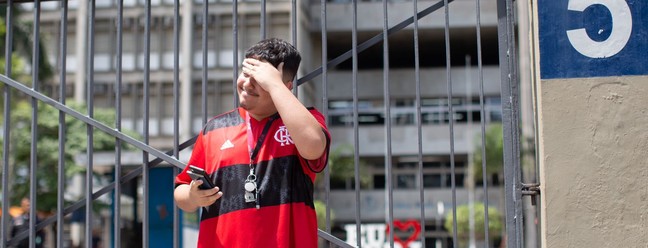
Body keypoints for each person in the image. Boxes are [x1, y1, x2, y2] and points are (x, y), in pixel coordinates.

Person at [174, 38, 330, 248]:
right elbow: (181, 191)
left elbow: (314, 147)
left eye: (259, 79)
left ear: (286, 86)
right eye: (245, 74)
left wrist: (274, 84)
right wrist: (193, 196)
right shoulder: (214, 129)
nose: (247, 84)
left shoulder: (304, 120)